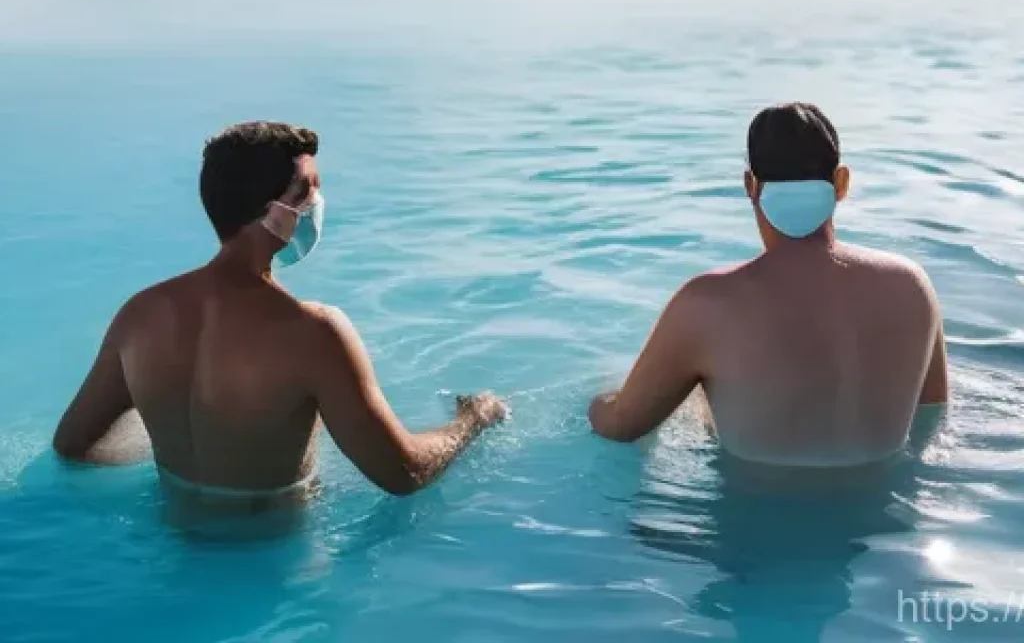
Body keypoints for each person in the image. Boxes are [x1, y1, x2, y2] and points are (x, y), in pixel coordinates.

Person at [53, 121, 507, 506]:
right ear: (276, 212)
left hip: (170, 543)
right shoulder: (314, 333)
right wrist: (472, 420)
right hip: (276, 561)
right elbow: (403, 474)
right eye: (308, 191)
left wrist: (174, 420)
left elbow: (72, 444)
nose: (317, 203)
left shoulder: (140, 315)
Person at [588, 102, 948, 466]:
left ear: (751, 186)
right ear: (841, 183)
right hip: (886, 503)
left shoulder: (707, 305)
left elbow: (621, 427)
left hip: (750, 501)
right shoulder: (913, 287)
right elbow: (933, 417)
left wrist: (597, 401)